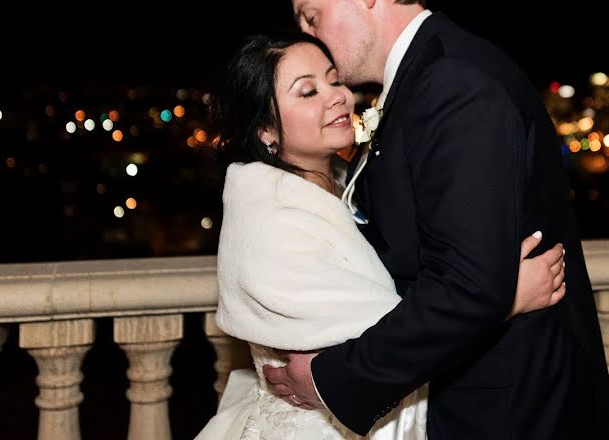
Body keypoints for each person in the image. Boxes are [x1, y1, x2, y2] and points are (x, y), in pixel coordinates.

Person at [264, 0, 609, 439]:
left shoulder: (453, 84)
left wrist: (331, 379)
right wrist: (505, 294)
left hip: (512, 411)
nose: (307, 36)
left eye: (312, 16)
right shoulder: (422, 80)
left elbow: (467, 286)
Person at [194, 33, 566, 439]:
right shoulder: (272, 219)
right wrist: (505, 296)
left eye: (334, 80)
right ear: (266, 129)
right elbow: (386, 338)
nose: (336, 96)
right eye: (307, 91)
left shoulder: (346, 181)